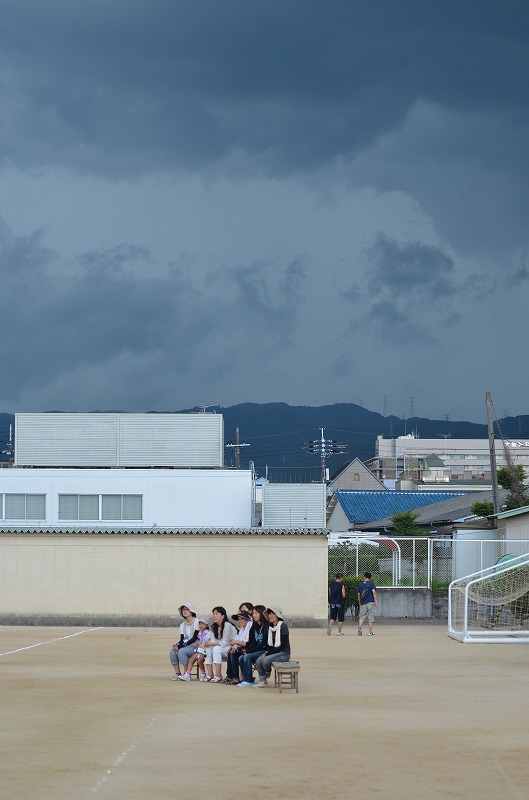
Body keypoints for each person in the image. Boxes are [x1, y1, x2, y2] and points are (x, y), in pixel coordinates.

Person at [253, 606, 290, 688]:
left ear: (278, 615)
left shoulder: (283, 627)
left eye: (273, 613)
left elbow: (282, 646)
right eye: (269, 613)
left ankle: (267, 673)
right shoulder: (270, 627)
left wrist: (268, 653)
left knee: (265, 661)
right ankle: (264, 682)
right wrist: (267, 652)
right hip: (274, 652)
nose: (271, 616)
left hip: (283, 653)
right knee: (258, 660)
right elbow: (269, 644)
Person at [203, 606, 239, 683]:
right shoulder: (214, 626)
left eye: (216, 614)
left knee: (216, 649)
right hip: (222, 648)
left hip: (231, 648)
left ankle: (218, 675)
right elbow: (212, 641)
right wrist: (208, 644)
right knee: (208, 650)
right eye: (213, 614)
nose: (214, 616)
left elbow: (225, 642)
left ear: (223, 616)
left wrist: (211, 643)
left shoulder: (227, 625)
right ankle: (210, 674)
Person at [238, 604, 269, 687]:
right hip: (256, 649)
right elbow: (253, 641)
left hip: (264, 650)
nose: (254, 615)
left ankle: (248, 681)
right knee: (241, 657)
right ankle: (248, 678)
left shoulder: (266, 626)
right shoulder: (254, 625)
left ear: (261, 614)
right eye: (253, 613)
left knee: (247, 656)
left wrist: (249, 651)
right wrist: (246, 649)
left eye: (256, 613)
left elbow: (262, 643)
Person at [169, 602, 200, 679]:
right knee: (172, 652)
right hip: (186, 645)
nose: (184, 611)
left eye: (187, 609)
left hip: (195, 646)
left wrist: (181, 646)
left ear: (191, 611)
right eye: (183, 610)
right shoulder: (182, 625)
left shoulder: (197, 622)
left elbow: (194, 638)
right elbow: (182, 639)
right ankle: (178, 673)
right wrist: (177, 645)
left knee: (181, 651)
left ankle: (186, 674)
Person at [227, 610, 253, 683]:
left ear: (247, 619)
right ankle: (229, 676)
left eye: (242, 619)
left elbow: (247, 643)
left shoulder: (250, 625)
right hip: (244, 648)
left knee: (234, 653)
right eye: (239, 619)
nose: (239, 621)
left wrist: (235, 642)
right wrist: (234, 645)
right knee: (231, 651)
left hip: (250, 649)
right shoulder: (242, 628)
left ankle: (236, 677)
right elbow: (239, 640)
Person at [357, 572, 378, 636]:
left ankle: (360, 626)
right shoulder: (372, 584)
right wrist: (376, 601)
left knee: (362, 616)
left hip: (363, 603)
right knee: (370, 617)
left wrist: (359, 602)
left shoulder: (360, 584)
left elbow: (358, 594)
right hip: (370, 602)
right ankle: (370, 632)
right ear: (370, 578)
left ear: (365, 577)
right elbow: (374, 592)